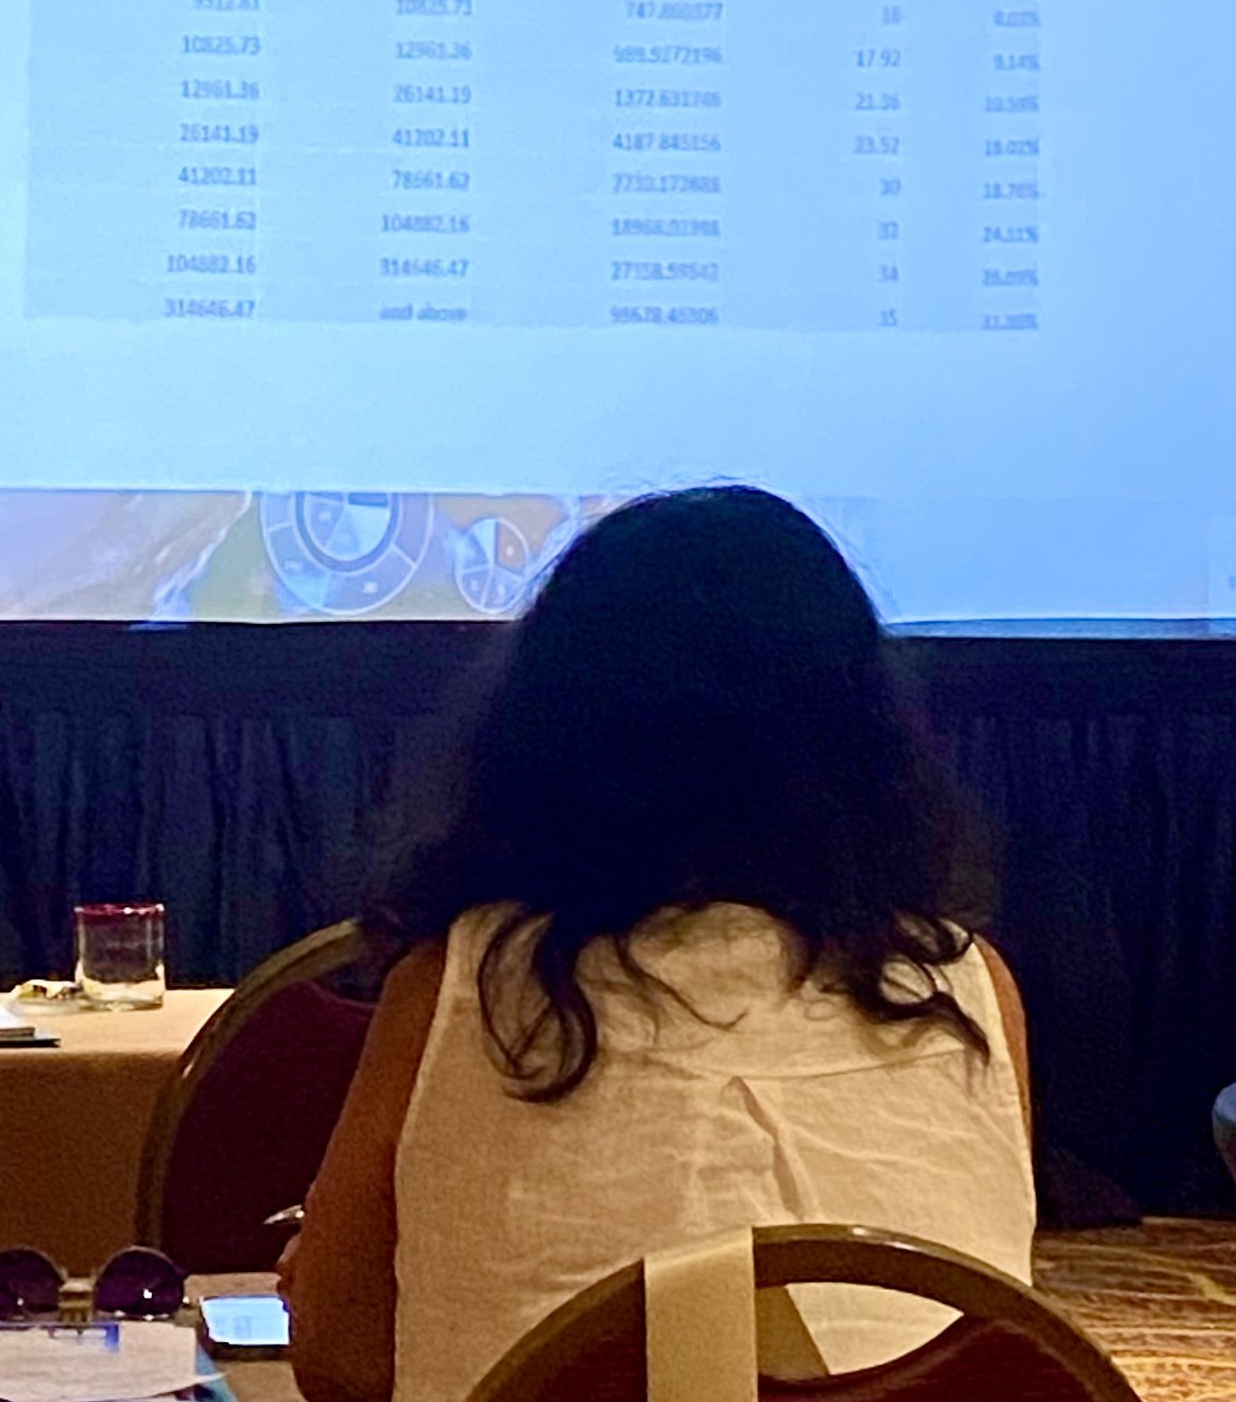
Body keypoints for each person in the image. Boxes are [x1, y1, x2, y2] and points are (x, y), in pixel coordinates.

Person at [283, 485, 1035, 1402]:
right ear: (865, 730)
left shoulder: (460, 988)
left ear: (550, 723)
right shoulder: (967, 984)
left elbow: (342, 1360)